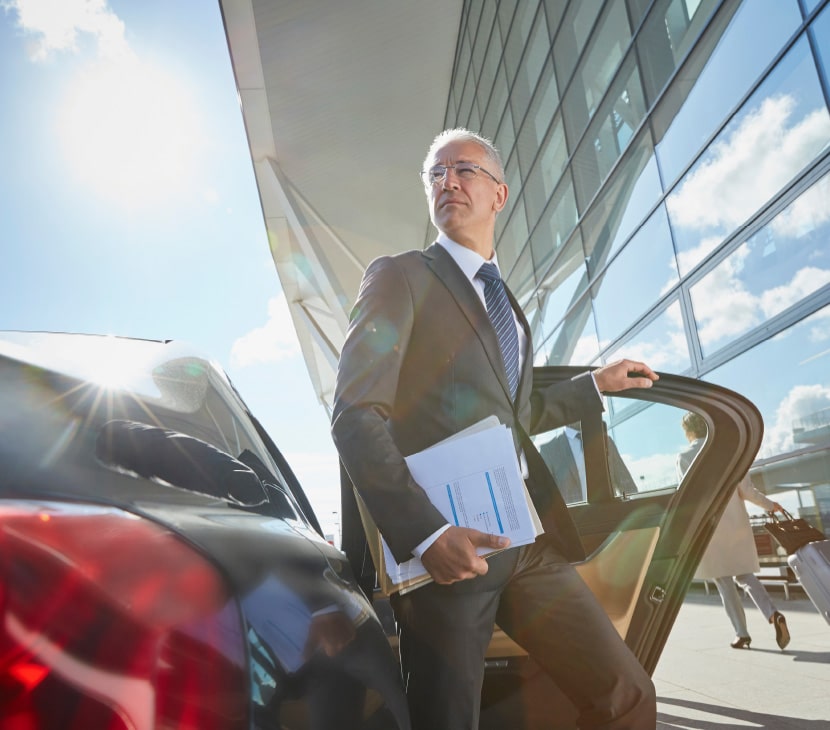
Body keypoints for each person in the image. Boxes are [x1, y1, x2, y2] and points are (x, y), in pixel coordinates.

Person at [331, 127, 659, 729]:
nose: (447, 182)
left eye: (463, 170)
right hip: (446, 552)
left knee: (626, 695)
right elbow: (355, 414)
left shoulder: (508, 308)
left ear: (499, 194)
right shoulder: (399, 277)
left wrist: (594, 385)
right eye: (435, 174)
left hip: (525, 542)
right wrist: (427, 535)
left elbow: (515, 418)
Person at [676, 411, 791, 650]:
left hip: (710, 530)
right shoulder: (730, 453)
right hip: (736, 527)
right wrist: (771, 505)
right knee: (745, 575)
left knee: (724, 582)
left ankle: (742, 633)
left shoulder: (685, 456)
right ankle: (773, 614)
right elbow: (747, 491)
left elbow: (688, 497)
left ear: (688, 431)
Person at [539, 423, 639, 503]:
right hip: (575, 524)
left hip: (609, 520)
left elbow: (628, 487)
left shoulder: (606, 442)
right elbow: (546, 500)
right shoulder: (549, 450)